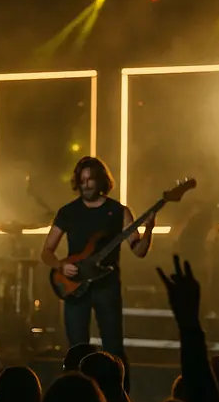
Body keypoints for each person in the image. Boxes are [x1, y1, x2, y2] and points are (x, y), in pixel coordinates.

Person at [40, 157, 156, 388]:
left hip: (107, 286)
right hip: (74, 286)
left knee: (113, 349)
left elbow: (139, 251)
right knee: (76, 350)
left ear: (100, 180)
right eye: (81, 180)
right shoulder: (68, 212)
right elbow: (46, 252)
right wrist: (61, 266)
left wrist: (149, 228)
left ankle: (120, 401)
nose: (86, 185)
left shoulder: (118, 211)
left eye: (90, 179)